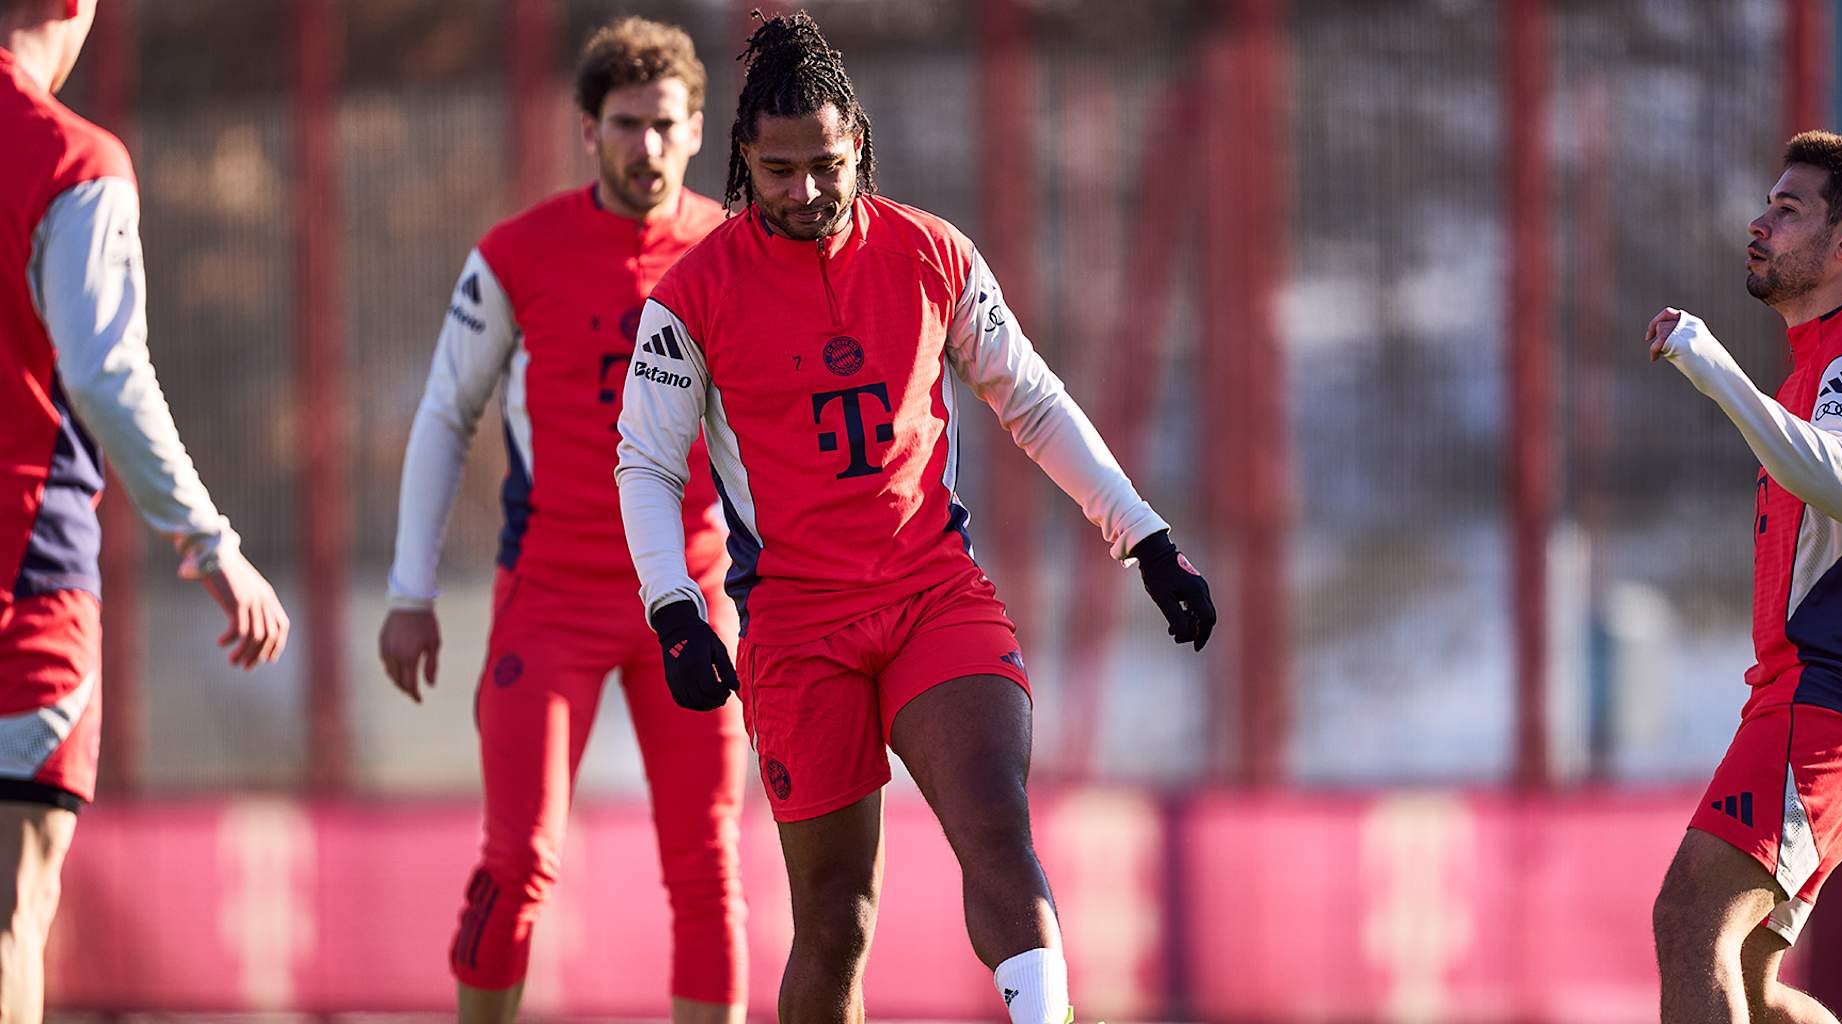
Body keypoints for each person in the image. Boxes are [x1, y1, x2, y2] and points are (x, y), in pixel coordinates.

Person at [615, 11, 1217, 1024]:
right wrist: (674, 605)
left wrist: (1144, 537)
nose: (805, 192)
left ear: (861, 147)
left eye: (826, 164)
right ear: (740, 166)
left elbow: (1029, 400)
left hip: (932, 596)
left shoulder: (930, 253)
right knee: (836, 914)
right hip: (797, 628)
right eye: (777, 172)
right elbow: (642, 460)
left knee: (995, 828)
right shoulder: (693, 296)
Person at [376, 17, 746, 1024]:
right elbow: (444, 414)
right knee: (517, 859)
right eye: (625, 125)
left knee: (707, 864)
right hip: (551, 597)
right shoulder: (515, 254)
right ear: (587, 129)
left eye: (666, 125)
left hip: (697, 598)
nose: (648, 148)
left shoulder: (734, 250)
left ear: (697, 124)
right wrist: (410, 590)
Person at [1, 0, 291, 1018]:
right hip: (23, 578)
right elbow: (105, 372)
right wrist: (213, 548)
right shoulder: (72, 159)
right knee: (11, 909)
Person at [1645, 131, 1842, 1024]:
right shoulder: (1833, 356)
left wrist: (1712, 367)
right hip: (1841, 698)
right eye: (1767, 205)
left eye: (1788, 209)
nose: (1759, 223)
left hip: (1833, 693)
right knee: (1751, 977)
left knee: (1693, 918)